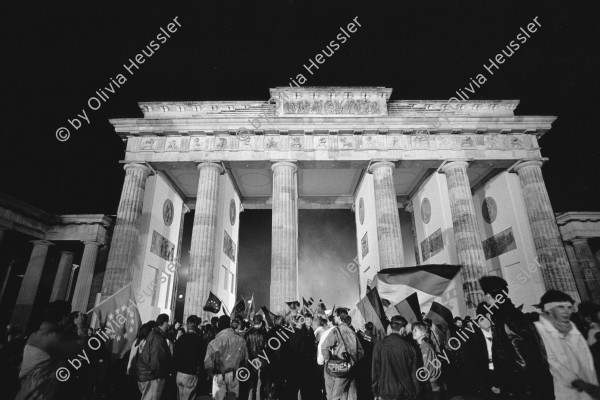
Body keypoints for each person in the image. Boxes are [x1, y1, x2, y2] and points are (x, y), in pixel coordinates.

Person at [479, 275, 554, 399]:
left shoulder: (506, 319)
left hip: (523, 389)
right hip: (529, 385)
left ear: (488, 296)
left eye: (483, 295)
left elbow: (522, 360)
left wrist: (508, 387)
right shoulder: (512, 315)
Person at [534, 290, 598, 399]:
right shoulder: (539, 329)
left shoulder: (571, 327)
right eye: (561, 307)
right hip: (565, 390)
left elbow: (583, 356)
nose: (567, 311)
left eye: (569, 307)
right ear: (548, 309)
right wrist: (581, 384)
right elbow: (552, 361)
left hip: (589, 387)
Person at [15, 301, 84, 400]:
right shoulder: (52, 340)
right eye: (68, 315)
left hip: (25, 394)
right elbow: (84, 349)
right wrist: (81, 327)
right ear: (63, 317)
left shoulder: (34, 336)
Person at [372, 315, 421, 400]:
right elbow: (414, 375)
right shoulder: (409, 347)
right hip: (405, 392)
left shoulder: (378, 346)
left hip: (385, 392)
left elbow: (375, 372)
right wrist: (415, 393)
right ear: (402, 329)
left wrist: (376, 392)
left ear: (391, 328)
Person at [322, 309, 364, 400]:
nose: (334, 318)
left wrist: (328, 361)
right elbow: (361, 352)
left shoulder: (336, 331)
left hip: (339, 368)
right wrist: (352, 362)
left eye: (335, 316)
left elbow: (324, 347)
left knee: (334, 396)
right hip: (351, 368)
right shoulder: (352, 332)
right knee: (351, 396)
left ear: (339, 317)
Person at [204, 315, 248, 400]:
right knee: (233, 397)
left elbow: (208, 363)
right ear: (230, 324)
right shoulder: (241, 340)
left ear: (219, 325)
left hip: (219, 374)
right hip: (235, 374)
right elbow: (245, 359)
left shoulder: (214, 342)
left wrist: (210, 374)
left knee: (218, 398)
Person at [136, 313, 173, 400]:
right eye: (168, 322)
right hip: (152, 376)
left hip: (147, 374)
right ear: (164, 323)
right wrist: (160, 377)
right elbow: (157, 359)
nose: (169, 324)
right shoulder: (157, 337)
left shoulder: (155, 334)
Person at [174, 315, 205, 400]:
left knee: (180, 397)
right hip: (191, 373)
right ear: (196, 325)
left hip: (179, 373)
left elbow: (175, 355)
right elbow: (202, 358)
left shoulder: (180, 339)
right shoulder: (199, 340)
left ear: (187, 324)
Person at [412, 322, 442, 400]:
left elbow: (426, 367)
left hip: (430, 383)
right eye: (413, 330)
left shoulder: (425, 347)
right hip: (429, 382)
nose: (413, 332)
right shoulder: (421, 346)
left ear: (423, 333)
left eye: (416, 330)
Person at [243, 315, 268, 400]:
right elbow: (267, 348)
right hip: (262, 360)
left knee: (252, 383)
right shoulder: (264, 333)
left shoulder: (247, 333)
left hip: (251, 360)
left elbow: (245, 348)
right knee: (260, 383)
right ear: (261, 322)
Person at [317, 315, 335, 400]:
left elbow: (321, 348)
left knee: (329, 388)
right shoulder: (346, 331)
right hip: (345, 365)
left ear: (330, 322)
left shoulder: (326, 333)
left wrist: (320, 362)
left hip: (330, 364)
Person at [356, 322, 376, 400]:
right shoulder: (374, 338)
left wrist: (360, 331)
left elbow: (366, 337)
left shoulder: (361, 335)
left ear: (365, 327)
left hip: (362, 361)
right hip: (371, 362)